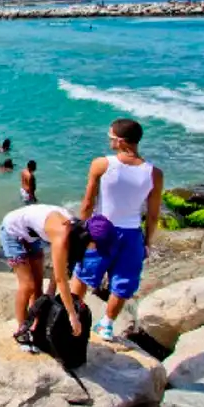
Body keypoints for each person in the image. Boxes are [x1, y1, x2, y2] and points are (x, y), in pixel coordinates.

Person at [71, 118, 163, 341]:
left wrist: (80, 231)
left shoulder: (102, 164)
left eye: (111, 137)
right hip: (132, 234)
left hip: (102, 230)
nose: (109, 141)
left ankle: (70, 314)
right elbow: (152, 214)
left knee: (83, 274)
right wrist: (148, 242)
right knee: (123, 282)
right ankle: (107, 325)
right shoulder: (154, 173)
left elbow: (87, 203)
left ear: (121, 142)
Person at [0, 206, 116, 352]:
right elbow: (61, 279)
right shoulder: (63, 234)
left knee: (38, 287)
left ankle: (35, 327)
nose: (95, 251)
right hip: (12, 232)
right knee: (28, 285)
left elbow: (60, 271)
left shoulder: (77, 232)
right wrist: (72, 315)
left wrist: (49, 296)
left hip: (32, 234)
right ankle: (22, 331)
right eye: (97, 247)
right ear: (89, 239)